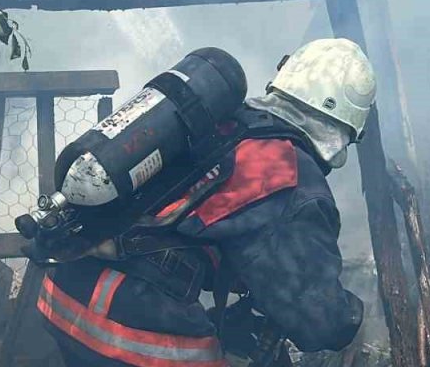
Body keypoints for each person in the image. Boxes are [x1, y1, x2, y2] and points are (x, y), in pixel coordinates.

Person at [37, 38, 375, 366]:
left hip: (67, 293)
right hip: (131, 330)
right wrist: (355, 316)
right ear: (347, 128)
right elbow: (316, 318)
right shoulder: (290, 174)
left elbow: (184, 228)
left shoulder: (228, 125)